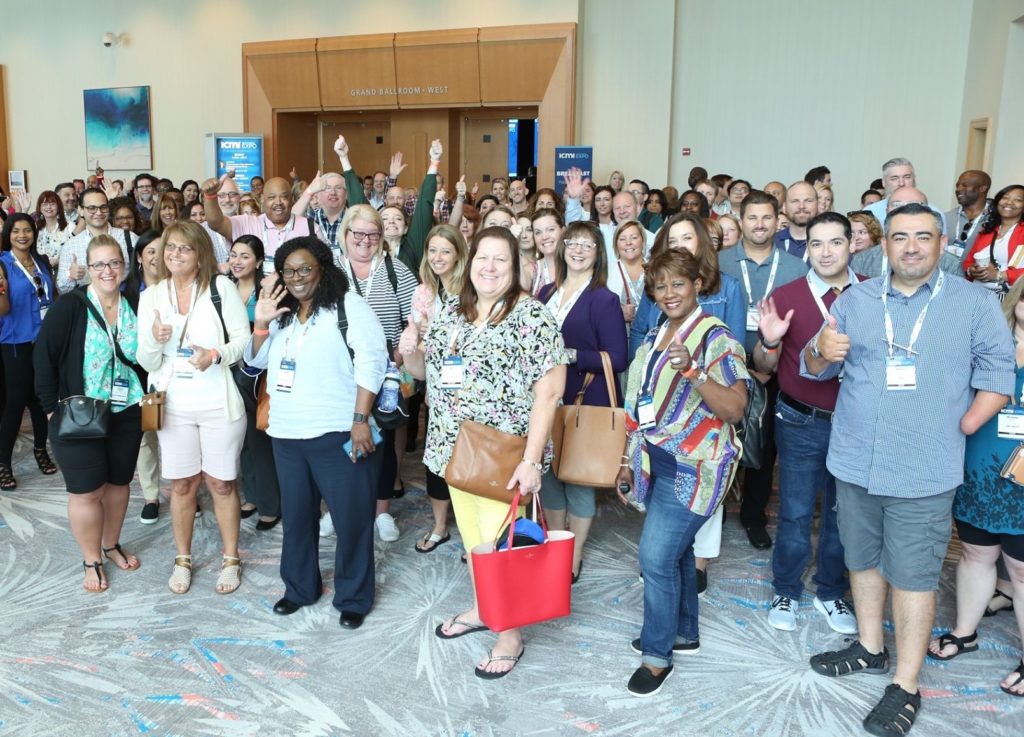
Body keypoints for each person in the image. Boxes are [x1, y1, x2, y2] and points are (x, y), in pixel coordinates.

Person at [802, 203, 1014, 736]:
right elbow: (815, 363)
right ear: (883, 245)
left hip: (923, 469)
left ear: (942, 244)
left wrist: (966, 425)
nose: (912, 246)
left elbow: (998, 370)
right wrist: (818, 351)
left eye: (923, 236)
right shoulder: (856, 299)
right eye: (900, 237)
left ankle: (907, 683)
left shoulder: (973, 304)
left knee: (916, 576)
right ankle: (871, 647)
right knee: (863, 560)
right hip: (854, 460)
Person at [404, 226, 567, 679]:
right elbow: (426, 373)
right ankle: (484, 608)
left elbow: (550, 392)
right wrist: (412, 345)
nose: (489, 267)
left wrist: (532, 461)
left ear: (515, 267)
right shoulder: (453, 312)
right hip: (454, 450)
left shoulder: (531, 316)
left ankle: (509, 636)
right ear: (468, 262)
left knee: (503, 547)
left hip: (504, 454)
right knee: (476, 540)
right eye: (482, 258)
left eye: (501, 259)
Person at [616, 248, 749, 696]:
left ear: (697, 285)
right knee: (674, 554)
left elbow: (734, 409)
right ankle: (683, 632)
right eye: (660, 285)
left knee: (654, 558)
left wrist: (693, 371)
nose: (669, 293)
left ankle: (657, 656)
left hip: (698, 468)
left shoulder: (716, 337)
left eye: (678, 283)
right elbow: (643, 404)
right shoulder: (657, 333)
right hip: (659, 460)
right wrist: (627, 461)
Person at [244, 237, 387, 628]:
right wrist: (261, 323)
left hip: (337, 432)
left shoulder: (348, 307)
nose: (297, 277)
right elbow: (254, 361)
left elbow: (372, 363)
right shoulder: (282, 313)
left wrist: (360, 420)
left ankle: (354, 597)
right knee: (297, 516)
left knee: (351, 518)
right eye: (289, 271)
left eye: (305, 268)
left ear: (322, 267)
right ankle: (299, 588)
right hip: (287, 433)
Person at [754, 212, 862, 634]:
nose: (825, 252)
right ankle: (786, 587)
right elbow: (764, 368)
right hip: (800, 419)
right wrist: (769, 340)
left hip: (854, 422)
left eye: (835, 242)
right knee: (796, 511)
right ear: (807, 248)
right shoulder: (786, 294)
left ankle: (831, 592)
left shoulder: (872, 294)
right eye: (816, 244)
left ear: (851, 244)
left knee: (842, 513)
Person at [136, 221, 251, 596]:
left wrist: (215, 355)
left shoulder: (220, 289)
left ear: (200, 253)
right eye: (170, 248)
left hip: (217, 400)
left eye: (184, 249)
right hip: (174, 405)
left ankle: (231, 558)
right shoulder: (151, 296)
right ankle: (182, 558)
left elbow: (243, 342)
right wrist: (155, 341)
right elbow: (147, 361)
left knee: (221, 483)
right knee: (182, 485)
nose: (174, 255)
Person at [925, 275, 1024, 696]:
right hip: (978, 467)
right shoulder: (985, 340)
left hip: (1021, 476)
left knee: (1021, 568)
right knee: (975, 553)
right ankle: (965, 632)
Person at [34, 235, 145, 591]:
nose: (107, 271)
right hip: (79, 413)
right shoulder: (71, 306)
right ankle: (91, 558)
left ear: (124, 266)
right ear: (87, 268)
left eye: (114, 263)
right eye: (98, 264)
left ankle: (110, 544)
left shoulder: (134, 302)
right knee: (86, 492)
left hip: (126, 410)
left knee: (118, 484)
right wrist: (51, 408)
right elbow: (44, 357)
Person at [318, 205, 417, 543]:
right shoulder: (329, 269)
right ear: (345, 234)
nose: (364, 240)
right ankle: (334, 508)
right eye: (357, 233)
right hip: (336, 373)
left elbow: (412, 322)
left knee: (383, 444)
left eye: (372, 234)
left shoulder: (396, 271)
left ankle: (382, 511)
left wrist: (396, 364)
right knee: (334, 443)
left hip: (386, 372)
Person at [537, 222, 627, 581]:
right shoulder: (544, 292)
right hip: (546, 400)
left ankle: (572, 558)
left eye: (587, 245)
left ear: (598, 253)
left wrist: (570, 354)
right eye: (571, 242)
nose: (577, 249)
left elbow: (617, 357)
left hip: (584, 402)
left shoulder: (604, 299)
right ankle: (555, 545)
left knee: (578, 479)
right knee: (548, 478)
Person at [718, 191, 808, 549]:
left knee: (764, 445)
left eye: (766, 218)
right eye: (752, 218)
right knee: (721, 443)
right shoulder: (720, 261)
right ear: (741, 221)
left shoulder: (796, 268)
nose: (759, 224)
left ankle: (754, 515)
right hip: (724, 369)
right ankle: (716, 511)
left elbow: (800, 325)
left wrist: (767, 365)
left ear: (778, 221)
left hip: (773, 371)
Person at [398, 224, 468, 552]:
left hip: (472, 393)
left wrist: (439, 332)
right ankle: (440, 526)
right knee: (437, 462)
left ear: (459, 255)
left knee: (472, 460)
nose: (438, 257)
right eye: (433, 250)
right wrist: (419, 339)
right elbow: (418, 343)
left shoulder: (472, 289)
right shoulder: (423, 291)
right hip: (438, 391)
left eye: (446, 251)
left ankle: (475, 531)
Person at [227, 235, 281, 531]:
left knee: (260, 439)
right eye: (234, 255)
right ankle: (252, 496)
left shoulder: (268, 290)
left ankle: (271, 505)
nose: (237, 261)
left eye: (245, 256)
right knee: (242, 438)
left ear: (259, 261)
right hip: (229, 370)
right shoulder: (223, 286)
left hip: (258, 371)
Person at [0, 215, 56, 489]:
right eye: (16, 231)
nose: (22, 235)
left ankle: (40, 451)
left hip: (42, 341)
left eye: (27, 230)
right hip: (15, 343)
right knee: (16, 402)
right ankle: (3, 464)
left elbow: (50, 297)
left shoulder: (41, 261)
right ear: (8, 234)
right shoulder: (2, 264)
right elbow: (3, 308)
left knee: (41, 401)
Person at [124, 230, 164, 524]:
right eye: (150, 251)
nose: (156, 256)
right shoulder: (127, 293)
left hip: (172, 371)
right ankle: (151, 495)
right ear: (139, 257)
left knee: (177, 433)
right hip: (139, 374)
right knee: (146, 435)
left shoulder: (178, 287)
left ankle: (182, 489)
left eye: (161, 250)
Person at [852, 188, 965, 279]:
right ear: (886, 212)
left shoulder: (949, 264)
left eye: (914, 205)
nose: (904, 210)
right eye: (897, 205)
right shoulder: (863, 261)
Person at [57, 188, 130, 294]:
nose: (99, 212)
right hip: (86, 305)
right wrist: (70, 275)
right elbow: (61, 289)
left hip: (124, 302)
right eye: (92, 208)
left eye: (103, 207)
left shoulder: (129, 239)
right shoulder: (70, 246)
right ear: (81, 210)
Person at [964, 184, 1024, 293]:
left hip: (1006, 297)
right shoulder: (987, 231)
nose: (1009, 202)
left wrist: (998, 275)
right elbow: (969, 261)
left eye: (1018, 200)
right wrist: (972, 270)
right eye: (1005, 198)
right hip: (975, 292)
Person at [864, 157, 946, 231]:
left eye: (907, 177)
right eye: (894, 178)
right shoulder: (870, 213)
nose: (901, 183)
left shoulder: (934, 213)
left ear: (914, 180)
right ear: (884, 183)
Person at [606, 220, 647, 330]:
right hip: (618, 339)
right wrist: (617, 313)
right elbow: (596, 310)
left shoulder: (657, 270)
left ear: (643, 241)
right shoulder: (606, 272)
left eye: (634, 237)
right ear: (616, 244)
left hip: (652, 340)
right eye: (622, 239)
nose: (628, 243)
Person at [943, 170, 991, 260]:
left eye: (965, 185)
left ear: (982, 188)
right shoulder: (945, 218)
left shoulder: (995, 219)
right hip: (946, 273)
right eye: (957, 186)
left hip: (976, 273)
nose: (958, 189)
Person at [774, 181, 819, 260]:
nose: (801, 206)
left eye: (808, 200)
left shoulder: (832, 244)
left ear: (818, 205)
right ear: (784, 207)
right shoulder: (770, 243)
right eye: (795, 201)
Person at [34, 190, 70, 268]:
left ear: (58, 207)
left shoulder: (69, 227)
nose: (48, 207)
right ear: (40, 208)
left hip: (64, 270)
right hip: (41, 272)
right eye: (45, 204)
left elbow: (74, 251)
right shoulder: (35, 228)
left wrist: (58, 260)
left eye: (52, 204)